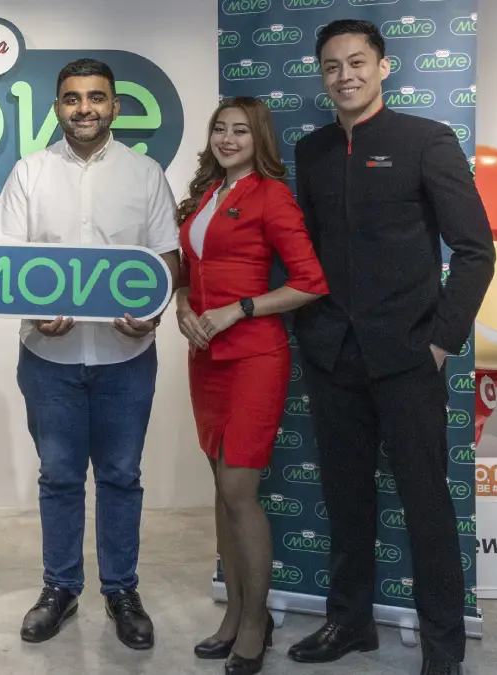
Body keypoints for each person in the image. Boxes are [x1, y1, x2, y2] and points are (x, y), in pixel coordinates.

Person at [288, 20, 495, 675]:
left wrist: (440, 342)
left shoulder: (425, 140)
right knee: (346, 499)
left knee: (427, 505)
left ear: (382, 67)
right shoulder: (313, 150)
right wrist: (312, 330)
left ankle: (443, 648)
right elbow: (308, 252)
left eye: (356, 62)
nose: (344, 75)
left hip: (408, 357)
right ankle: (350, 624)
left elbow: (476, 251)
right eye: (331, 66)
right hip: (333, 354)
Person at [0, 57, 180, 651]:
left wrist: (154, 311)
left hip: (127, 357)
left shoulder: (145, 174)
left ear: (115, 106)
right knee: (60, 478)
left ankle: (121, 591)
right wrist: (33, 309)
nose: (84, 108)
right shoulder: (30, 172)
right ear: (57, 108)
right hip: (49, 358)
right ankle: (61, 588)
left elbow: (166, 258)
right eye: (72, 99)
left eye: (96, 97)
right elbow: (3, 261)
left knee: (121, 477)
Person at [173, 96, 329, 675]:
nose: (228, 138)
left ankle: (255, 622)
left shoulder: (271, 195)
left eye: (241, 130)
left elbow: (310, 282)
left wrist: (240, 308)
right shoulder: (204, 195)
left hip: (254, 358)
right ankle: (233, 613)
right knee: (221, 490)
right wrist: (183, 304)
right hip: (204, 357)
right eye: (220, 128)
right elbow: (187, 271)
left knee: (239, 491)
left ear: (258, 138)